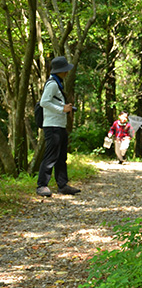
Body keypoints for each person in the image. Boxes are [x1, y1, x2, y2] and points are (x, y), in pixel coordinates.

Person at [36, 56, 81, 197]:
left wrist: (65, 107)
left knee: (61, 157)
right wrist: (62, 109)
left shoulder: (58, 83)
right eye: (65, 70)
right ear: (59, 71)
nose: (67, 72)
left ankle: (62, 185)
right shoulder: (52, 84)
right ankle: (42, 185)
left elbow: (53, 102)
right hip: (52, 126)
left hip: (59, 125)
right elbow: (44, 102)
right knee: (50, 157)